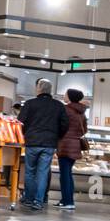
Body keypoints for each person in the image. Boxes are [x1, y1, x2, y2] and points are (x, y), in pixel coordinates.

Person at [17, 78, 68, 211]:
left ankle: (28, 198)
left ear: (38, 89)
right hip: (49, 144)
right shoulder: (59, 106)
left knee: (29, 172)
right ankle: (39, 201)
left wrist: (26, 134)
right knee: (43, 172)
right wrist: (57, 136)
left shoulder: (29, 104)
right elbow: (65, 125)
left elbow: (20, 122)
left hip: (32, 142)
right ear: (50, 90)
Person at [55, 88, 88, 211]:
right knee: (67, 174)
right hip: (76, 145)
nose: (64, 96)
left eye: (65, 94)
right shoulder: (81, 112)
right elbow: (84, 130)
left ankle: (69, 202)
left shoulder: (66, 109)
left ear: (70, 97)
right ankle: (65, 200)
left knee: (65, 175)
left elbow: (60, 126)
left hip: (65, 145)